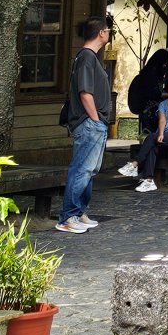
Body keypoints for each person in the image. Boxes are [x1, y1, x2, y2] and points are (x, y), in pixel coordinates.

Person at [58, 17, 114, 233]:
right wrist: (96, 119)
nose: (108, 34)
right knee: (81, 169)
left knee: (89, 170)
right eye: (107, 30)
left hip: (92, 122)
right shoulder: (86, 58)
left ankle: (79, 211)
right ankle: (68, 216)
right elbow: (85, 92)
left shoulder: (89, 58)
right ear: (101, 33)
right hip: (89, 122)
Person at [120, 76, 168, 192]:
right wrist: (160, 134)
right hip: (166, 135)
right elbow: (162, 120)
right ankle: (149, 180)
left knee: (151, 138)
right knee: (153, 146)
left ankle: (135, 163)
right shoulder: (163, 104)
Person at [126, 49, 168, 138]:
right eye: (165, 64)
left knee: (147, 137)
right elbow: (154, 94)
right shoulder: (151, 76)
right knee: (151, 138)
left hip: (145, 113)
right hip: (150, 114)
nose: (165, 66)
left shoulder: (147, 73)